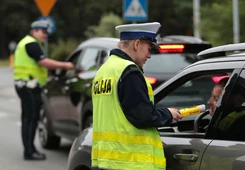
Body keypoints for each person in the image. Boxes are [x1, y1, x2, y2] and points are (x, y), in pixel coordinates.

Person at [91, 22, 182, 170]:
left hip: (106, 160)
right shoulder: (129, 72)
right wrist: (168, 114)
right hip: (129, 162)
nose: (149, 55)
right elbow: (142, 115)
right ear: (137, 44)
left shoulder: (104, 70)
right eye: (149, 48)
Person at [14, 20, 74, 160]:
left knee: (27, 118)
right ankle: (29, 151)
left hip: (25, 85)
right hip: (29, 86)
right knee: (31, 119)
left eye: (46, 33)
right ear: (34, 31)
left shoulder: (27, 43)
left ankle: (29, 149)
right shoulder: (31, 43)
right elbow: (44, 62)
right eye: (42, 31)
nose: (45, 35)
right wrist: (65, 65)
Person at [206, 74, 245, 141]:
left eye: (217, 99)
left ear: (236, 98)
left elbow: (220, 140)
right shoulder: (221, 112)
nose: (209, 102)